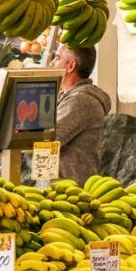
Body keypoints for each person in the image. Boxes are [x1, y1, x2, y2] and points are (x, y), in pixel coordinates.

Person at [51, 44, 111, 184]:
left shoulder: (80, 100)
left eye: (57, 58)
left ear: (71, 66)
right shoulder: (68, 96)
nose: (51, 63)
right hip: (59, 186)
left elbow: (49, 138)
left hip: (70, 191)